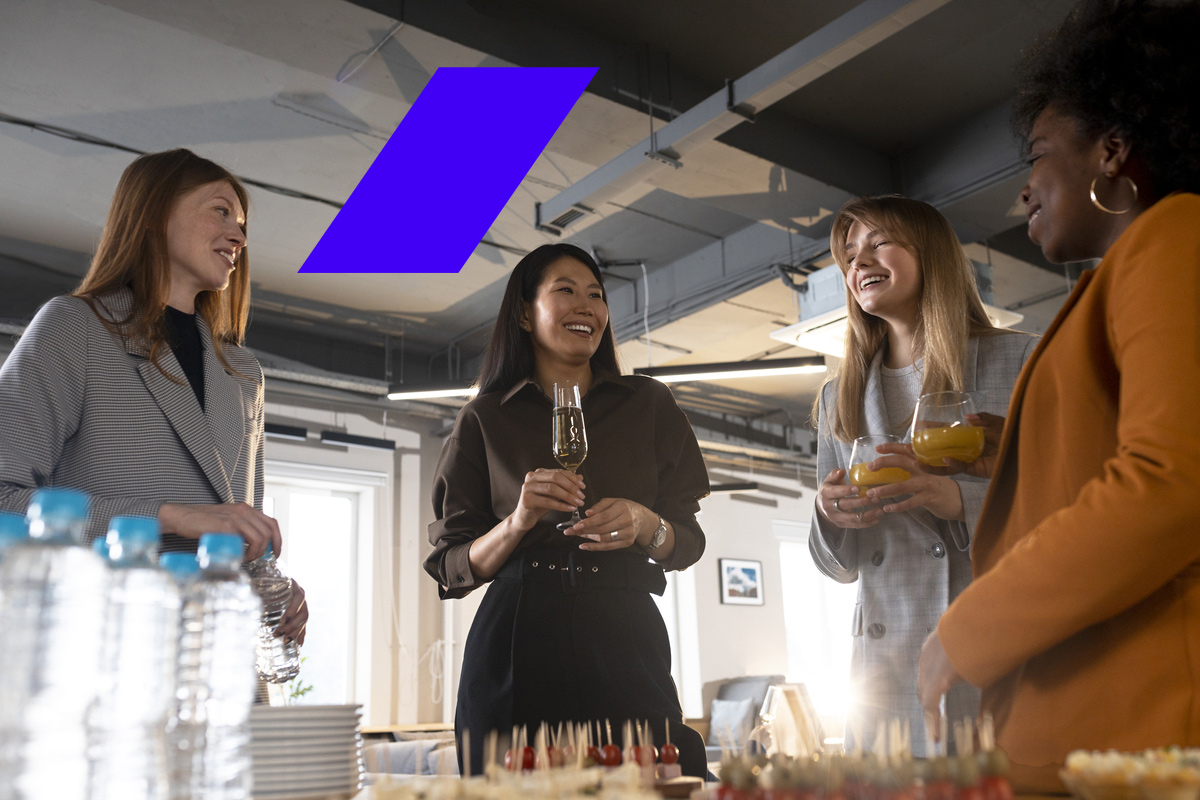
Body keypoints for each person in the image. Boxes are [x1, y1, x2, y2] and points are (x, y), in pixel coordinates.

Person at [916, 0, 1200, 791]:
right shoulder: (1129, 270)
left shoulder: (1173, 235)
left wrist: (964, 630)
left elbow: (1175, 482)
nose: (1024, 191)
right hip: (1090, 739)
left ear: (1112, 150)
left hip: (1133, 742)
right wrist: (1018, 451)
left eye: (1039, 155)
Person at [0, 148, 306, 644]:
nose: (240, 237)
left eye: (243, 222)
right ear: (155, 212)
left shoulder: (244, 374)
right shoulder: (75, 328)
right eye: (221, 211)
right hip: (101, 647)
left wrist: (271, 585)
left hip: (213, 657)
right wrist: (166, 516)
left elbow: (234, 527)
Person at [425, 243, 709, 776]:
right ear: (523, 314)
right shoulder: (485, 418)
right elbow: (453, 566)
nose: (587, 306)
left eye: (596, 295)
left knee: (660, 781)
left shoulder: (649, 405)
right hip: (517, 636)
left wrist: (648, 525)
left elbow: (687, 541)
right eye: (566, 291)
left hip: (625, 629)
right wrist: (518, 521)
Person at [809, 196, 1035, 755]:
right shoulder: (837, 396)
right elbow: (835, 565)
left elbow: (1070, 499)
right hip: (885, 670)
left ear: (930, 253)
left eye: (878, 242)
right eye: (849, 253)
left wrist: (956, 498)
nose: (858, 261)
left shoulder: (1021, 360)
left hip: (993, 639)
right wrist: (827, 514)